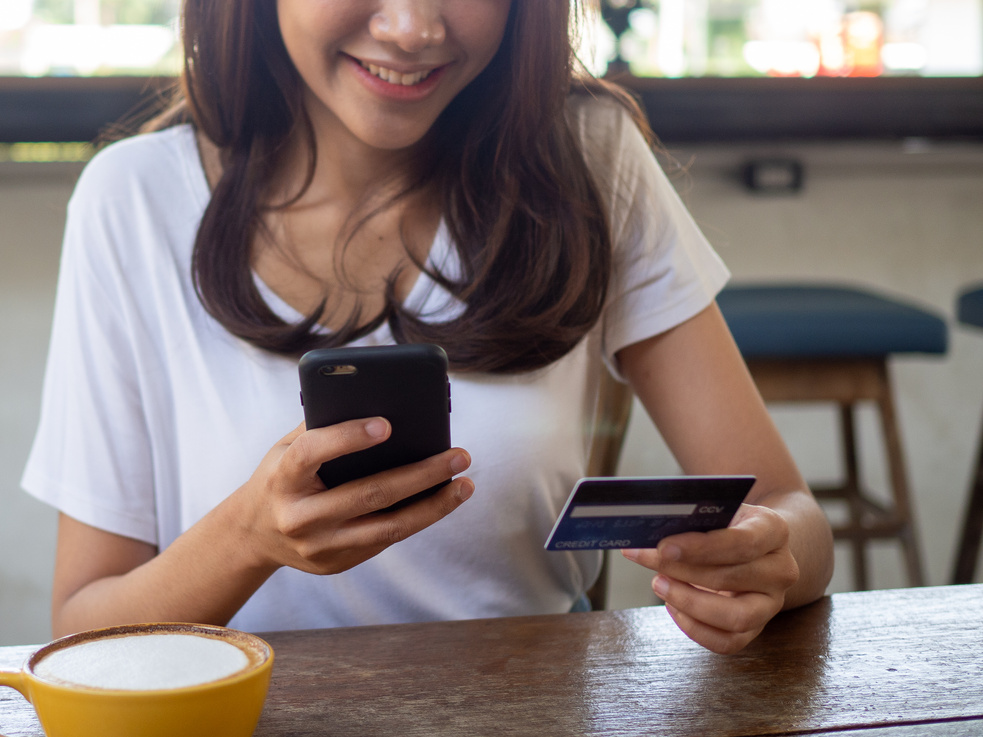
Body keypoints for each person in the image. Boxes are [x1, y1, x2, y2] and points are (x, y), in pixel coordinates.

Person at [22, 0, 833, 655]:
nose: (412, 28)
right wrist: (248, 537)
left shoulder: (587, 157)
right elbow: (85, 629)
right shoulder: (131, 199)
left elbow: (792, 513)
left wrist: (768, 558)